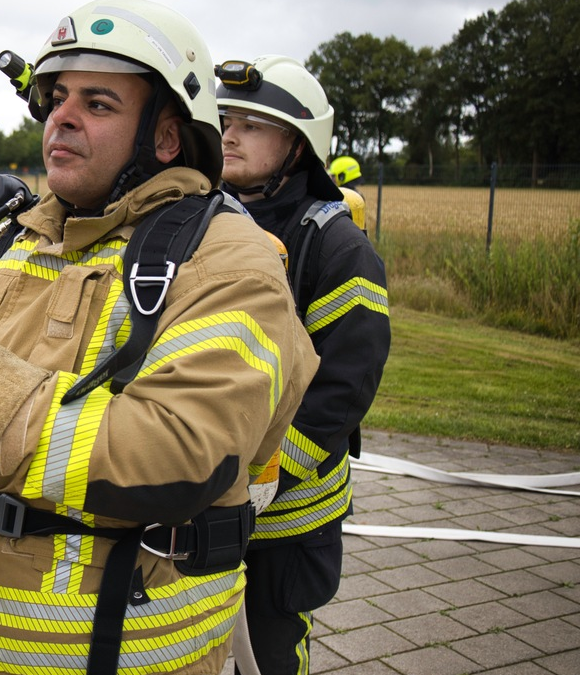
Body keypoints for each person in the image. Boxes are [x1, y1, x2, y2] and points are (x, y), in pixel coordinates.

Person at [0, 3, 319, 673]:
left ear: (168, 138)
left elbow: (175, 458)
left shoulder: (227, 259)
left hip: (121, 652)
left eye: (97, 103)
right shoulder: (23, 240)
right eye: (57, 97)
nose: (62, 117)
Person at [216, 56, 391, 675]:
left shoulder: (340, 249)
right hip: (206, 506)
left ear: (298, 144)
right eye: (225, 118)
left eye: (253, 125)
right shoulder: (200, 225)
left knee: (267, 656)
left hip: (286, 517)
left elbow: (343, 388)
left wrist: (266, 477)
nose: (229, 134)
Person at [328, 156, 368, 234]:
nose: (332, 179)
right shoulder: (358, 196)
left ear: (342, 176)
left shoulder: (349, 199)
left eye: (333, 176)